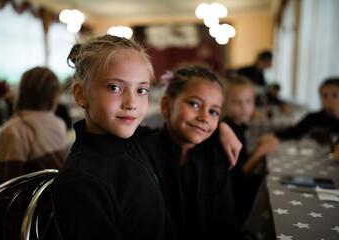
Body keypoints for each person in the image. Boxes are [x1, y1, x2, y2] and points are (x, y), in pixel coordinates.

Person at [53, 34, 178, 240]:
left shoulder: (136, 140)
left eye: (141, 90)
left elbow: (175, 136)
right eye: (114, 87)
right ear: (80, 94)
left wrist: (221, 130)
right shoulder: (81, 183)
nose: (131, 102)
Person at [140, 65, 254, 240]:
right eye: (194, 104)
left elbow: (225, 218)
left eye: (213, 111)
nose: (204, 117)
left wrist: (222, 127)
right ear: (166, 105)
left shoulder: (216, 154)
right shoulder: (144, 152)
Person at [222, 76, 279, 225]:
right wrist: (261, 151)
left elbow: (242, 158)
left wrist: (260, 146)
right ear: (223, 103)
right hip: (232, 198)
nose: (244, 107)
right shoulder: (227, 132)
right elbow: (239, 176)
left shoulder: (239, 126)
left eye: (248, 101)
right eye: (237, 102)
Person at [0, 67, 67, 184]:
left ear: (21, 92)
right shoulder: (59, 123)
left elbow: (9, 187)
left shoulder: (13, 130)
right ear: (54, 96)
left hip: (33, 200)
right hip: (58, 196)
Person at [274, 77, 339, 141]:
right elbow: (293, 132)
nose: (329, 100)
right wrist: (273, 136)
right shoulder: (313, 118)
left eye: (334, 95)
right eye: (325, 95)